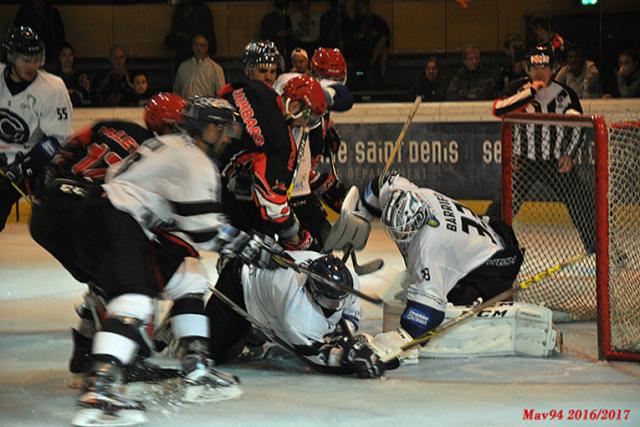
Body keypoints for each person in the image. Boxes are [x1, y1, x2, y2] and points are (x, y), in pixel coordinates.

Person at [70, 96, 285, 426]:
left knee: (189, 277)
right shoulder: (194, 159)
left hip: (118, 219)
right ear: (209, 128)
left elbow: (180, 215)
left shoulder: (169, 143)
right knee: (135, 302)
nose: (228, 138)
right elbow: (202, 231)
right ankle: (100, 389)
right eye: (224, 130)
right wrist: (246, 246)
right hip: (120, 221)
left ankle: (196, 368)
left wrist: (237, 240)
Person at [29, 93, 186, 378]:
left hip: (46, 213)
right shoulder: (159, 153)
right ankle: (127, 357)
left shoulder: (110, 125)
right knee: (133, 282)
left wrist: (51, 176)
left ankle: (86, 348)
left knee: (101, 277)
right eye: (177, 126)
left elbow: (65, 150)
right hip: (90, 212)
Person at [358, 171, 524, 360]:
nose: (399, 237)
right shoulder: (410, 193)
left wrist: (400, 338)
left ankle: (492, 295)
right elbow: (383, 182)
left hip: (497, 263)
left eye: (404, 232)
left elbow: (426, 316)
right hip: (488, 237)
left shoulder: (429, 249)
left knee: (457, 301)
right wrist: (361, 210)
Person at [205, 251, 398, 378]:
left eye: (339, 298)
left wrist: (347, 340)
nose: (336, 305)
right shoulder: (294, 308)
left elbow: (349, 315)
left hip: (269, 291)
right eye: (330, 300)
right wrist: (347, 358)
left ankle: (253, 335)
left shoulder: (349, 283)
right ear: (312, 291)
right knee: (214, 353)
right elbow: (317, 360)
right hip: (240, 284)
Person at [487, 44, 595, 255]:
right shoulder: (518, 89)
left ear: (554, 68)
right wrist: (532, 90)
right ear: (527, 68)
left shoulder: (565, 94)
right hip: (522, 160)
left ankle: (598, 249)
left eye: (544, 66)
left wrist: (569, 154)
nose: (539, 71)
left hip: (554, 161)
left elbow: (578, 126)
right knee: (502, 206)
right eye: (534, 67)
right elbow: (498, 109)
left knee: (582, 203)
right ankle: (485, 249)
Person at [218, 75, 326, 250]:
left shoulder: (259, 88)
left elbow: (224, 91)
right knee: (251, 249)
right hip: (215, 180)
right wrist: (297, 234)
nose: (306, 125)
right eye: (309, 117)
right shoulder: (282, 144)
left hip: (198, 150)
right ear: (295, 106)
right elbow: (272, 203)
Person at [0, 26, 72, 232]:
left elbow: (58, 140)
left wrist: (22, 168)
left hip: (31, 163)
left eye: (35, 59)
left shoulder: (52, 88)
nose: (32, 66)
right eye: (25, 60)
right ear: (12, 58)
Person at [344, 0, 390, 88]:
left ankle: (376, 71)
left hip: (372, 49)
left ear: (367, 6)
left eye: (362, 7)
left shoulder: (376, 19)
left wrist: (373, 35)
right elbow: (350, 37)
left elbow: (385, 34)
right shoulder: (354, 21)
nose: (361, 10)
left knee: (384, 46)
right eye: (358, 7)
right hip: (358, 48)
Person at [164, 0, 216, 67]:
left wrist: (190, 37)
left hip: (200, 61)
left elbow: (209, 39)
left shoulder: (203, 11)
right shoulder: (179, 10)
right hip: (182, 58)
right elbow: (174, 33)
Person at [14, 0, 66, 66]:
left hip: (51, 55)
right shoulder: (23, 13)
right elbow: (18, 34)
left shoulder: (53, 13)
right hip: (27, 53)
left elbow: (60, 35)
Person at [173, 34, 225, 99]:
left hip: (206, 107)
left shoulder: (216, 69)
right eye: (196, 45)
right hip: (186, 106)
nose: (199, 48)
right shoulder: (183, 67)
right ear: (192, 47)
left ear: (207, 48)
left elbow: (221, 95)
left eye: (202, 45)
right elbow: (176, 92)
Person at [51, 41, 91, 107]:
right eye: (64, 55)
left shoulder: (81, 76)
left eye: (70, 55)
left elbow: (87, 98)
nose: (67, 58)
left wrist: (73, 92)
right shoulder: (53, 77)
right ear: (59, 58)